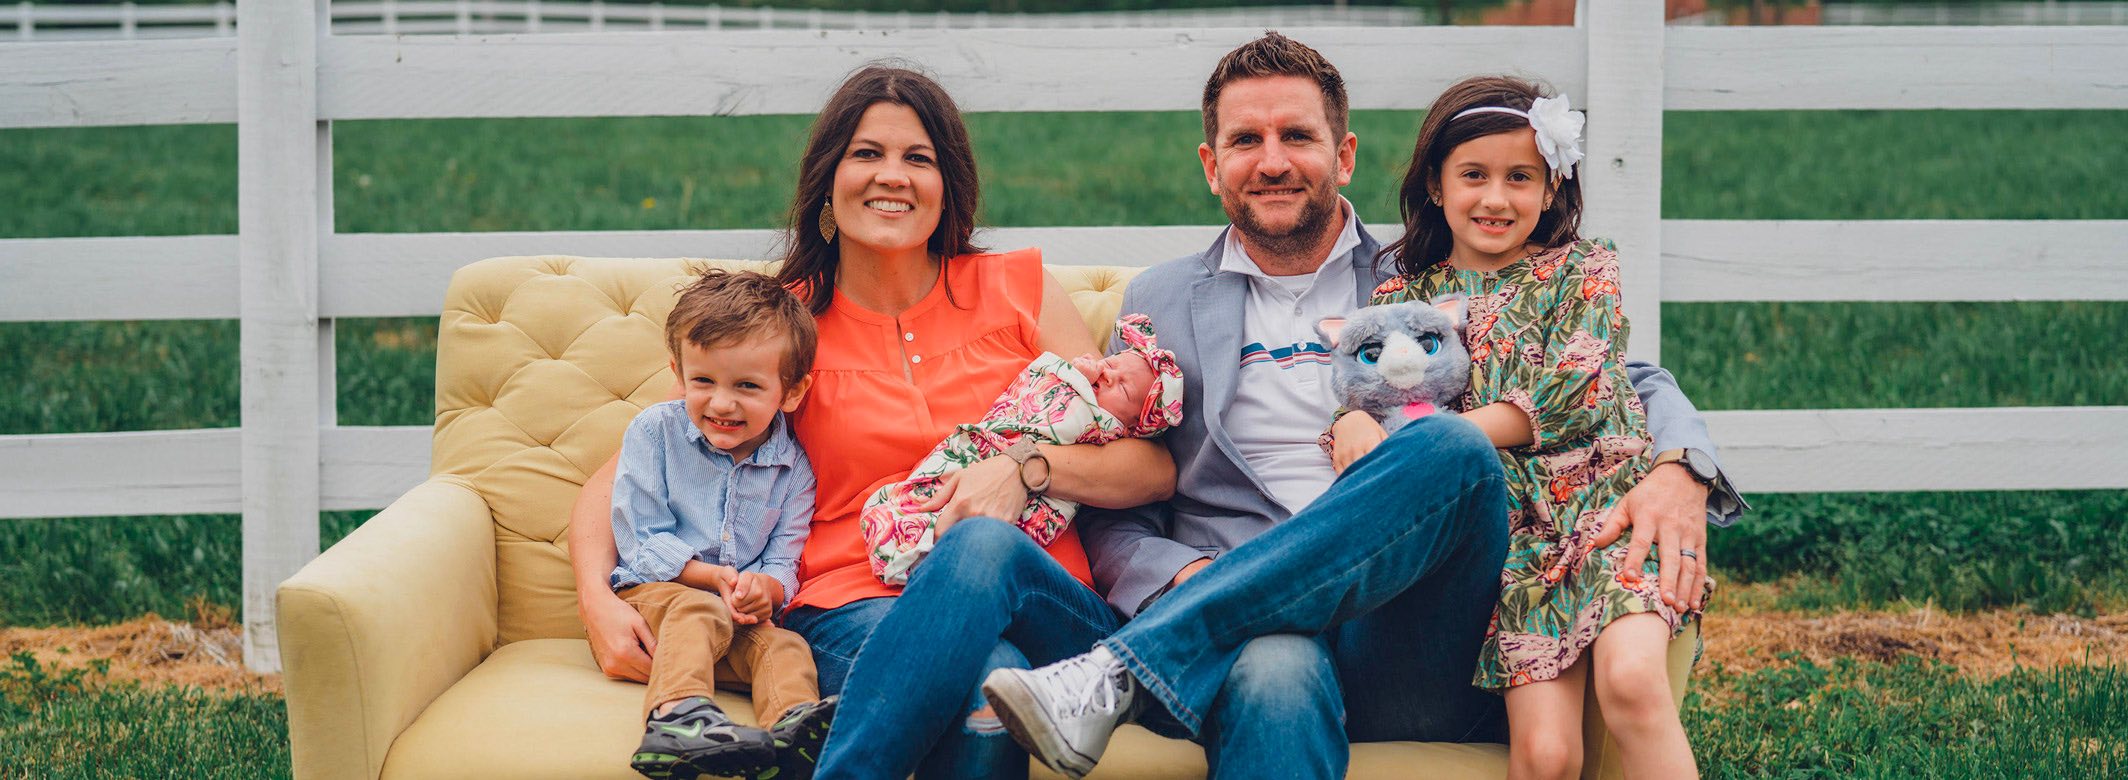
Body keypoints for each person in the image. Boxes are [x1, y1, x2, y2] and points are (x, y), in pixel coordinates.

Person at [980, 33, 1745, 780]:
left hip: (1407, 633)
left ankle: (1126, 667)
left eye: (1297, 136)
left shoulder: (1420, 276)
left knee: (1449, 445)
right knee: (1276, 668)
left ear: (1343, 155)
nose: (1273, 162)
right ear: (1213, 166)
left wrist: (1683, 468)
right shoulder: (1162, 300)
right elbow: (1123, 510)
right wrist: (1184, 574)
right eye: (1246, 140)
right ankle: (1177, 640)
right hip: (1251, 631)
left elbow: (1624, 377)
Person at [567, 64, 1176, 780]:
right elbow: (630, 468)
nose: (893, 175)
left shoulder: (1019, 288)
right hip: (853, 603)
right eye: (867, 154)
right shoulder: (781, 322)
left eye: (918, 157)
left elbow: (1151, 469)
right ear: (828, 180)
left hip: (1038, 593)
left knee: (982, 547)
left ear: (947, 185)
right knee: (989, 682)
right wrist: (596, 605)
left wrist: (1025, 469)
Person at [1367, 75, 1705, 779]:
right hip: (1515, 544)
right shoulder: (1405, 299)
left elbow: (1577, 388)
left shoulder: (1583, 270)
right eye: (1474, 175)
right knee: (1546, 756)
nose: (1496, 198)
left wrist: (1445, 439)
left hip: (1606, 514)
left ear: (1552, 189)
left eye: (1520, 177)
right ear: (1435, 185)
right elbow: (1377, 397)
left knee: (1632, 685)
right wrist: (1353, 425)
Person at [602, 270, 839, 780]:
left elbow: (783, 558)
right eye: (703, 381)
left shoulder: (793, 469)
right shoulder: (655, 433)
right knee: (698, 608)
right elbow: (641, 542)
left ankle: (793, 738)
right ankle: (676, 720)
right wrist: (712, 579)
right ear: (679, 372)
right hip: (655, 600)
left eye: (747, 386)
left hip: (733, 621)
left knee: (786, 645)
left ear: (792, 391)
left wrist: (765, 590)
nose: (722, 403)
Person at [862, 314, 1186, 585]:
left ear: (1135, 425)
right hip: (979, 461)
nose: (1107, 375)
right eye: (1110, 363)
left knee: (973, 544)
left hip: (1031, 574)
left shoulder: (1106, 426)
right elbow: (1036, 392)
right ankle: (908, 533)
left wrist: (1021, 464)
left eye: (1124, 388)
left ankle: (923, 552)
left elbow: (1154, 470)